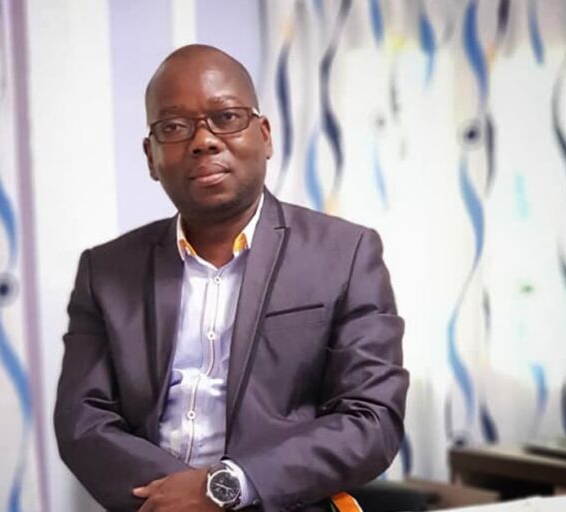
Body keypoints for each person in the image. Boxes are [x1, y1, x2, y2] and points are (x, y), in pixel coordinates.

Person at [54, 44, 408, 512]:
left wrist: (225, 487)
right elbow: (83, 421)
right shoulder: (106, 272)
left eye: (226, 117)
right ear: (150, 157)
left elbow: (371, 420)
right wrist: (175, 500)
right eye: (174, 127)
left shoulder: (345, 254)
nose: (203, 141)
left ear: (264, 135)